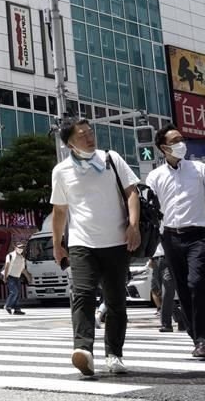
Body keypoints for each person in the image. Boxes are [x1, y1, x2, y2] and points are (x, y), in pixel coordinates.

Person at [50, 119, 141, 377]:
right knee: (82, 294)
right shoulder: (62, 171)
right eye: (82, 135)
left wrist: (133, 226)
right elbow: (59, 211)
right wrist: (58, 244)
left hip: (116, 241)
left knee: (116, 301)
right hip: (82, 243)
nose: (90, 138)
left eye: (91, 133)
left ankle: (114, 354)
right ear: (69, 143)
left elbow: (131, 192)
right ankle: (83, 350)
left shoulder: (111, 158)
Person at [146, 124, 205, 359]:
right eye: (176, 140)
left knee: (196, 283)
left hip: (198, 236)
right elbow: (150, 209)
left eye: (182, 138)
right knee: (182, 288)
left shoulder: (200, 169)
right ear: (164, 147)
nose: (182, 143)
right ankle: (196, 336)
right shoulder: (154, 176)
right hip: (170, 237)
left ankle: (203, 340)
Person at [1, 242, 32, 315]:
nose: (21, 249)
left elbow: (23, 269)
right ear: (15, 248)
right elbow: (7, 266)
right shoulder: (10, 255)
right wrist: (5, 277)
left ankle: (17, 309)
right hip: (9, 276)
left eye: (22, 248)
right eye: (20, 247)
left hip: (17, 277)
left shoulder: (22, 258)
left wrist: (28, 277)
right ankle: (7, 305)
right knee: (14, 292)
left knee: (17, 293)